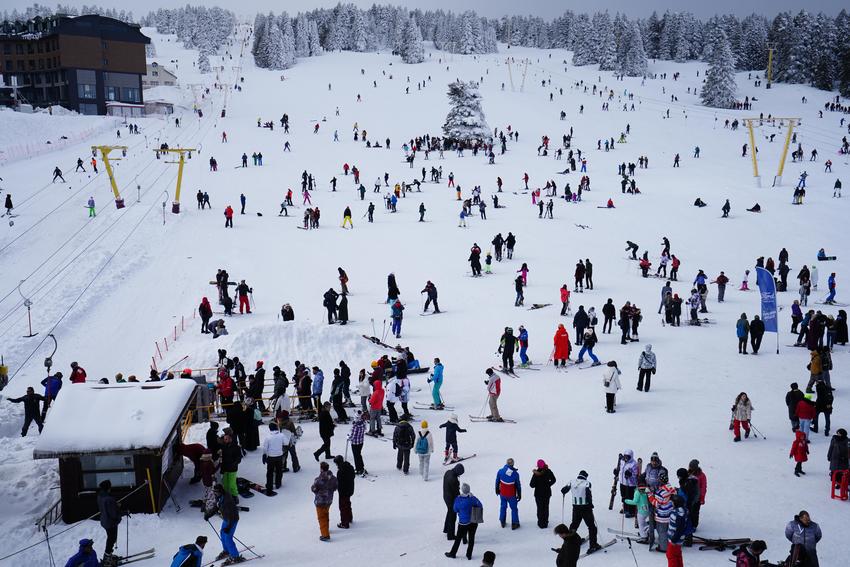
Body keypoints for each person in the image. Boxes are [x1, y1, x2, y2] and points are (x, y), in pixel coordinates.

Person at [560, 470, 602, 553]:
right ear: (585, 476)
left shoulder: (572, 481)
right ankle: (593, 545)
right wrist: (591, 504)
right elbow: (588, 494)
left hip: (575, 507)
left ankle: (569, 542)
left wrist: (564, 492)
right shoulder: (587, 483)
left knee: (574, 525)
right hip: (585, 508)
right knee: (591, 527)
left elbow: (564, 490)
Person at [204, 485, 242, 564]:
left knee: (228, 537)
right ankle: (227, 551)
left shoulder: (227, 501)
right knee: (222, 534)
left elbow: (232, 515)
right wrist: (208, 514)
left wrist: (229, 527)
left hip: (232, 520)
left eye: (216, 492)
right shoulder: (219, 497)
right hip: (226, 519)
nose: (215, 494)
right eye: (214, 492)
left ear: (221, 491)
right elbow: (216, 506)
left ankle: (235, 557)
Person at [446, 483, 483, 560]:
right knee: (472, 539)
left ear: (462, 490)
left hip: (463, 522)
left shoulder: (458, 499)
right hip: (473, 522)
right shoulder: (473, 499)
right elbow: (480, 505)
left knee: (458, 539)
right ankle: (469, 555)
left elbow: (455, 509)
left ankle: (453, 553)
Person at [311, 461, 338, 541]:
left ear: (321, 469)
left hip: (320, 502)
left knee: (321, 518)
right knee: (326, 514)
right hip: (329, 501)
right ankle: (326, 528)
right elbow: (336, 487)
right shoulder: (333, 478)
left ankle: (325, 535)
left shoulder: (318, 479)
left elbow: (313, 489)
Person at [96, 480, 121, 560]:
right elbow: (113, 514)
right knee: (112, 539)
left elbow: (106, 507)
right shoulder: (109, 499)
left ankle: (108, 554)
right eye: (110, 486)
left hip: (104, 520)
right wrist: (118, 508)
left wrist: (114, 505)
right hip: (110, 522)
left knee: (110, 538)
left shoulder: (100, 496)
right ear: (108, 487)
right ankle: (107, 556)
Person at [530, 460, 557, 529]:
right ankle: (545, 523)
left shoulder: (536, 474)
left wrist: (537, 484)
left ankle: (541, 523)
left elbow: (531, 485)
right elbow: (554, 479)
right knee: (546, 508)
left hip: (538, 494)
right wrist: (548, 484)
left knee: (540, 508)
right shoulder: (548, 471)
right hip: (547, 493)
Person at [495, 458, 521, 529]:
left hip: (502, 493)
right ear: (513, 464)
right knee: (514, 508)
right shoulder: (515, 474)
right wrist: (519, 494)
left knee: (503, 506)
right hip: (511, 494)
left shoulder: (500, 471)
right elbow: (518, 485)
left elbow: (497, 481)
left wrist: (497, 489)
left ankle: (502, 521)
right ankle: (515, 523)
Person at [666, 494, 690, 567]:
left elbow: (680, 528)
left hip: (674, 540)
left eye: (672, 502)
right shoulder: (684, 511)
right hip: (679, 540)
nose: (671, 503)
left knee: (671, 556)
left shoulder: (678, 514)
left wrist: (674, 540)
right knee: (677, 555)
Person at [262, 422, 286, 495]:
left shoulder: (268, 437)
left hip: (271, 457)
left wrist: (264, 455)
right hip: (279, 456)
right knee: (279, 470)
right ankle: (278, 484)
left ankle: (269, 485)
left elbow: (265, 448)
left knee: (270, 472)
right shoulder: (281, 435)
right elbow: (285, 443)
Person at [443, 464, 465, 540]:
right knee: (452, 517)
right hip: (451, 499)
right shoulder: (454, 480)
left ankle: (446, 529)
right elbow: (456, 492)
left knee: (449, 512)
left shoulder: (448, 472)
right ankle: (450, 535)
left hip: (446, 496)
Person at [333, 455, 355, 529]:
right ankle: (349, 518)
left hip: (343, 492)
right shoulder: (350, 467)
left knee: (343, 507)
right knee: (348, 504)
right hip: (350, 489)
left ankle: (344, 523)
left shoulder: (340, 472)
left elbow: (340, 483)